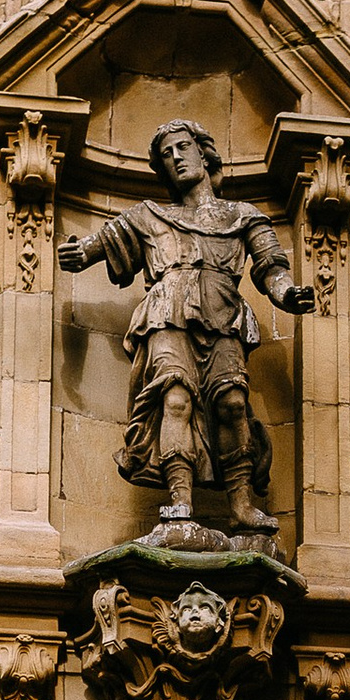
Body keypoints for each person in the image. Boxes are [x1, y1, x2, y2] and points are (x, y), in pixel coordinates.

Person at [59, 119, 312, 541]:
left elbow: (272, 267)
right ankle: (180, 502)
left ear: (203, 152)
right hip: (166, 312)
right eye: (166, 155)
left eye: (181, 147)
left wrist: (288, 294)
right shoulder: (150, 215)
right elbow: (97, 244)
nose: (175, 158)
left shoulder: (243, 216)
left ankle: (241, 505)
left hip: (223, 313)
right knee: (175, 399)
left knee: (233, 404)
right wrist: (78, 252)